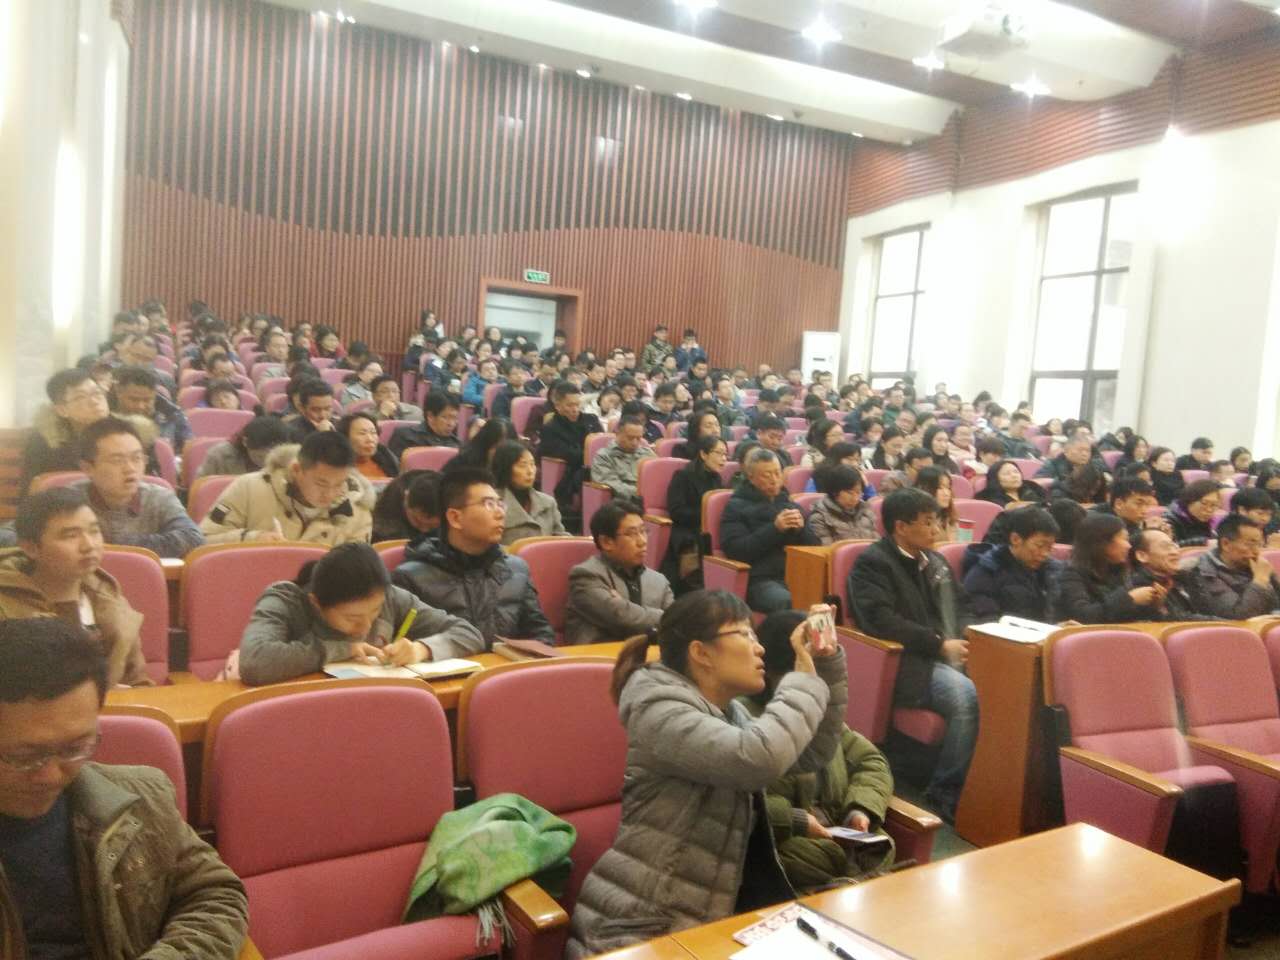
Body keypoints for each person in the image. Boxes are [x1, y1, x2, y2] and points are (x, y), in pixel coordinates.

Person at [565, 591, 847, 957]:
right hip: (641, 928)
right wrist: (804, 680)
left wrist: (825, 664)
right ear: (701, 653)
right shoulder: (659, 709)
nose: (760, 648)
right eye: (744, 634)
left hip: (708, 921)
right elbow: (756, 760)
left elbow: (813, 751)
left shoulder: (728, 713)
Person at [0, 618, 249, 957]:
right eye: (24, 756)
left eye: (75, 748)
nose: (52, 775)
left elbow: (215, 894)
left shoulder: (141, 800)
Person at [847, 488, 977, 821]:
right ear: (901, 527)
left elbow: (962, 604)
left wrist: (966, 632)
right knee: (965, 697)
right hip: (906, 661)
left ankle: (984, 789)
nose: (936, 530)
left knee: (1009, 686)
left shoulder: (935, 561)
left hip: (948, 652)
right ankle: (943, 793)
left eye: (936, 521)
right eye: (928, 522)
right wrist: (938, 644)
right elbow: (881, 621)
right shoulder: (874, 563)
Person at [744, 609, 895, 891]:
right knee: (807, 858)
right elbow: (744, 804)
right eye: (808, 669)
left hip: (840, 827)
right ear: (777, 673)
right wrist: (799, 821)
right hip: (792, 840)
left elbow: (871, 760)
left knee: (881, 845)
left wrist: (860, 809)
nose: (816, 683)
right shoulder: (747, 720)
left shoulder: (823, 715)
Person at [237, 542, 483, 685]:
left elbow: (468, 633)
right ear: (317, 603)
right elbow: (254, 662)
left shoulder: (391, 597)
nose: (366, 627)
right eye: (352, 619)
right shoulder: (287, 600)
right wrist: (343, 649)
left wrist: (421, 649)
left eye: (375, 611)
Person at [0, 489, 151, 687]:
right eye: (70, 536)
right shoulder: (6, 606)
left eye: (94, 531)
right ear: (30, 548)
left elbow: (138, 682)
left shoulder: (109, 597)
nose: (89, 545)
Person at [392, 467, 554, 645]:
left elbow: (541, 635)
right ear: (455, 518)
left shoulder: (516, 569)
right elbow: (401, 646)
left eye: (500, 504)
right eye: (489, 504)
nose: (500, 513)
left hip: (505, 662)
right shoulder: (411, 578)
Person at [199, 431, 375, 545]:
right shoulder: (249, 488)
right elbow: (203, 541)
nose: (330, 494)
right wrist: (252, 539)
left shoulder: (357, 509)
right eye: (321, 484)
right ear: (296, 469)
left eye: (339, 484)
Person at [71, 418, 204, 559]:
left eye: (136, 458)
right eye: (117, 460)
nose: (130, 468)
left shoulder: (159, 497)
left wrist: (115, 544)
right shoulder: (70, 500)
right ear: (88, 468)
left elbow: (193, 539)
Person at [722, 449, 819, 614]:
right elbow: (736, 551)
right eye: (767, 475)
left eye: (777, 473)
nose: (774, 480)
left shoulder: (791, 505)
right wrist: (775, 529)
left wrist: (802, 530)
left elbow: (815, 547)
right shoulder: (736, 507)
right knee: (791, 602)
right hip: (760, 579)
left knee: (829, 597)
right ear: (751, 478)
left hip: (796, 575)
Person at [564, 501, 674, 645]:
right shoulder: (586, 575)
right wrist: (665, 618)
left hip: (649, 657)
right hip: (600, 656)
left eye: (643, 531)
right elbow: (622, 618)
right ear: (606, 542)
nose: (642, 541)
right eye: (632, 534)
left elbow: (677, 626)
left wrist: (623, 605)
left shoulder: (659, 581)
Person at [1053, 514, 1164, 623]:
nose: (1129, 546)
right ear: (1102, 542)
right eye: (1124, 539)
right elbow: (1084, 616)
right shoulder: (1071, 574)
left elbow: (1129, 618)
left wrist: (1154, 605)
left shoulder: (1120, 571)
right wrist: (1129, 599)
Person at [962, 507, 1061, 622]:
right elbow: (987, 622)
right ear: (1015, 539)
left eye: (1050, 548)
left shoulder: (1052, 571)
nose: (1045, 554)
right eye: (1040, 546)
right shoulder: (986, 573)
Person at [22, 369, 112, 493]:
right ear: (62, 410)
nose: (94, 401)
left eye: (97, 393)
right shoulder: (45, 442)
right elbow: (32, 492)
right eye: (80, 397)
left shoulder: (127, 433)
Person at [663, 435, 726, 590]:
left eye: (725, 454)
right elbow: (676, 511)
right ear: (703, 454)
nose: (724, 459)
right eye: (719, 453)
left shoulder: (716, 478)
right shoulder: (683, 476)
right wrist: (706, 515)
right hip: (687, 530)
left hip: (708, 530)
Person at [1187, 515, 1280, 619]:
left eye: (1259, 545)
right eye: (1250, 544)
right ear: (1225, 544)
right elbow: (1238, 615)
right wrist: (1260, 580)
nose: (1256, 551)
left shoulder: (1256, 566)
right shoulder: (1204, 571)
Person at [538, 382, 603, 519]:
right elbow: (568, 454)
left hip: (599, 464)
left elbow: (603, 445)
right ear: (558, 406)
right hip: (573, 472)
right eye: (570, 405)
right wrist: (592, 456)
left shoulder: (591, 420)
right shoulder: (550, 428)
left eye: (577, 404)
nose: (575, 409)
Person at [491, 440, 566, 544]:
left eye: (532, 464)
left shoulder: (548, 502)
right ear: (506, 468)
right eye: (523, 465)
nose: (530, 471)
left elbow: (561, 538)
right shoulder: (492, 502)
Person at [111, 366, 193, 458]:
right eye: (134, 400)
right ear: (119, 392)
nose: (140, 406)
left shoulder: (173, 414)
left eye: (147, 400)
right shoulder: (104, 413)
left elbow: (188, 448)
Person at [1130, 529, 1209, 621]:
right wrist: (1220, 623)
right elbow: (1177, 619)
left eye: (1173, 546)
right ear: (1142, 556)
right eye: (1165, 547)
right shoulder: (1140, 588)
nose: (1175, 552)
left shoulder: (1183, 578)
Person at [198, 415, 290, 478]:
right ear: (245, 442)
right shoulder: (219, 456)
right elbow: (201, 489)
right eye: (260, 457)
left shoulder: (288, 459)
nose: (266, 462)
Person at [591, 416, 656, 502]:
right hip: (623, 502)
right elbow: (613, 485)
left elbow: (658, 478)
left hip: (650, 498)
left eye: (638, 438)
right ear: (618, 434)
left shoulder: (648, 453)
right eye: (630, 438)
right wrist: (643, 493)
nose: (635, 443)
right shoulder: (604, 456)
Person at [808, 464, 877, 544]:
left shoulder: (865, 511)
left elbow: (876, 544)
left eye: (858, 493)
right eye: (850, 493)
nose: (855, 498)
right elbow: (827, 549)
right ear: (835, 491)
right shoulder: (820, 517)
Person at [370, 469, 440, 543]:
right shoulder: (384, 523)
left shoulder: (446, 496)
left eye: (432, 526)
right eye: (417, 522)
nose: (424, 530)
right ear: (406, 498)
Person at [387, 391, 461, 457]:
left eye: (455, 418)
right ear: (430, 416)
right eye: (445, 417)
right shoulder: (405, 437)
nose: (451, 424)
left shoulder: (457, 445)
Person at [1095, 476, 1162, 543]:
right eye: (1139, 504)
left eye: (1147, 504)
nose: (1144, 511)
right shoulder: (1098, 525)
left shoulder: (1131, 523)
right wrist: (1148, 533)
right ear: (1119, 504)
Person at [339, 411, 399, 480]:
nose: (370, 439)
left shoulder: (386, 457)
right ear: (345, 437)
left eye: (373, 433)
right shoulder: (338, 468)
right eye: (362, 433)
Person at [1165, 479, 1222, 547]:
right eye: (1204, 503)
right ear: (1190, 501)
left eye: (1213, 505)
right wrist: (1203, 542)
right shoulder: (1169, 520)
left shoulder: (1209, 523)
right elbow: (1170, 546)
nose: (1209, 510)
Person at [975, 459, 1047, 509]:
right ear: (995, 478)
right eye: (1007, 473)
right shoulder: (987, 497)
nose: (1014, 476)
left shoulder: (1031, 486)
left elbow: (1047, 502)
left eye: (1016, 472)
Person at [914, 466, 960, 543]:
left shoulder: (948, 515)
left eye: (948, 488)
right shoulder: (916, 518)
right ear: (925, 489)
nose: (946, 493)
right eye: (940, 488)